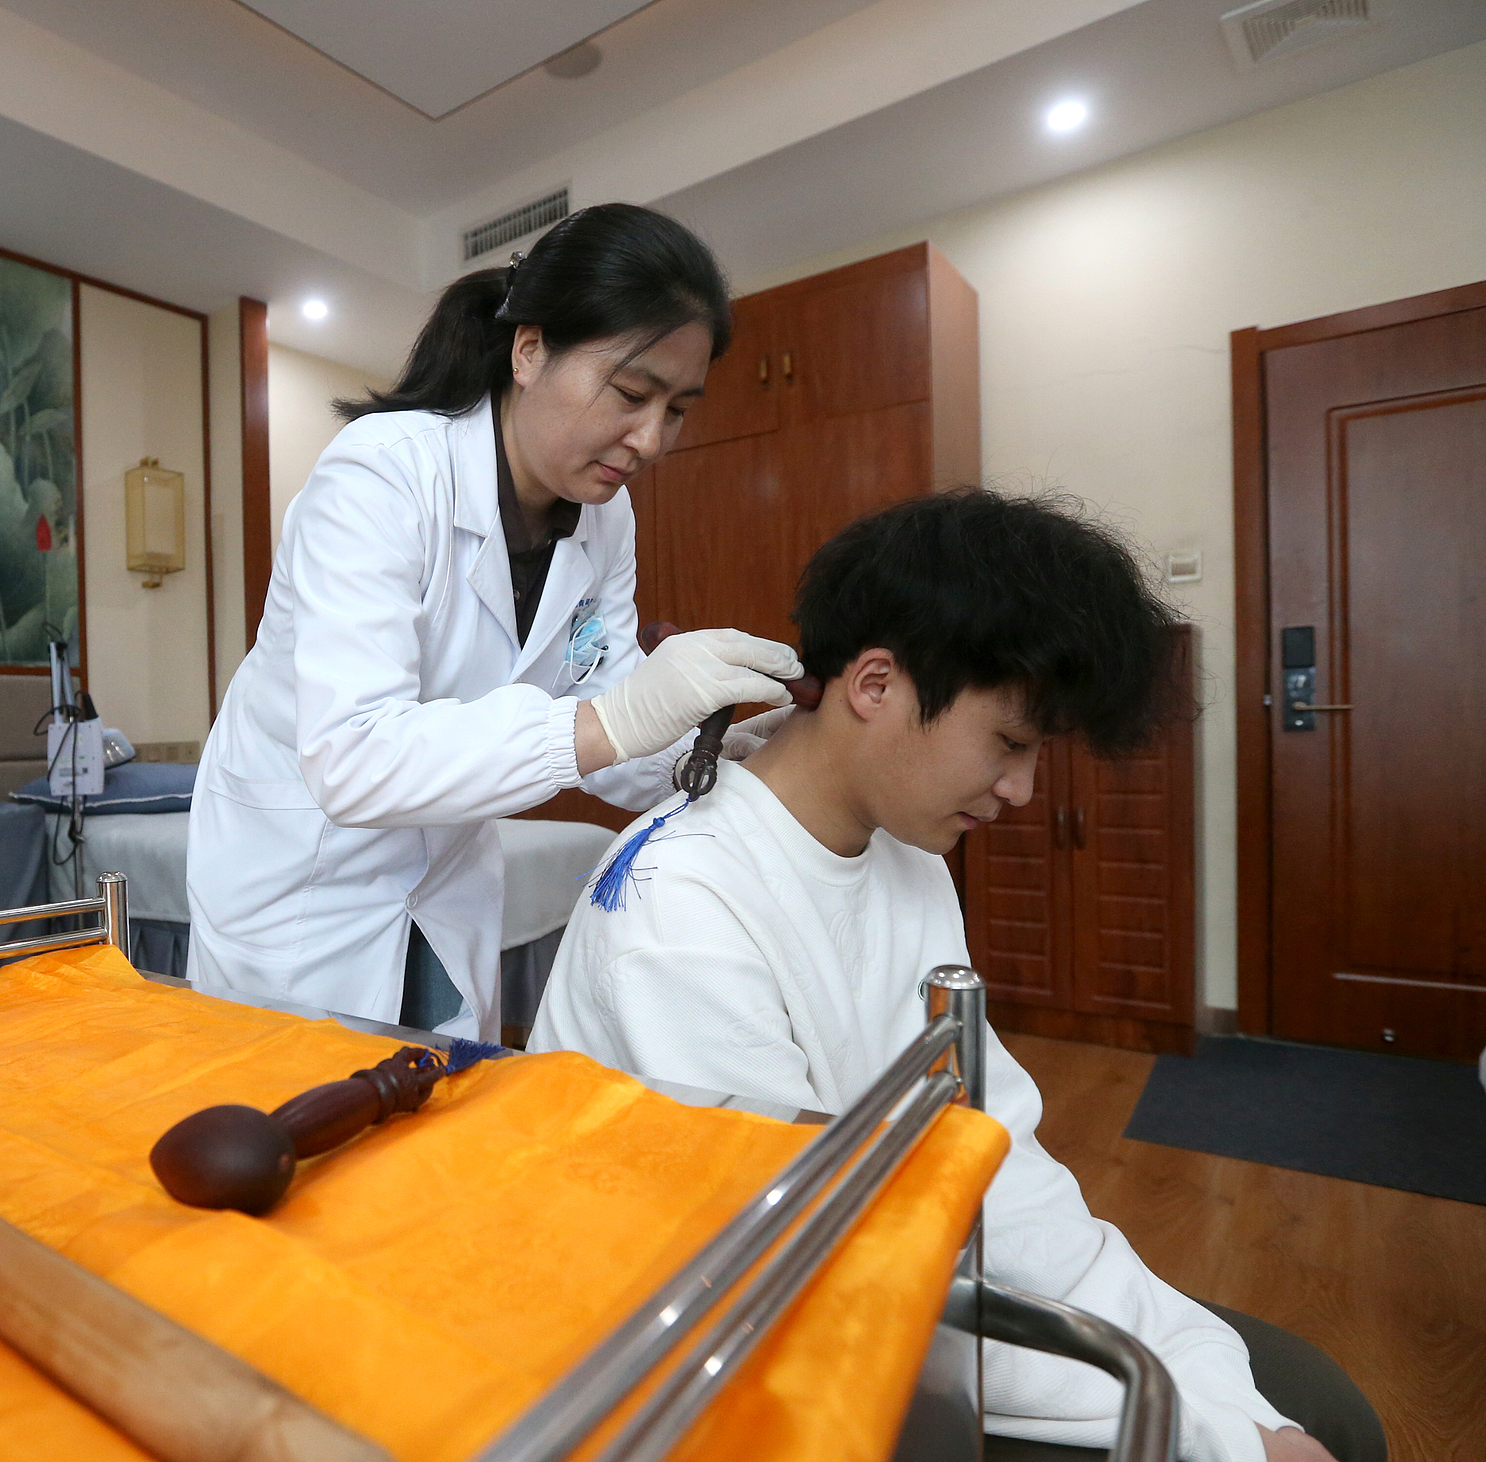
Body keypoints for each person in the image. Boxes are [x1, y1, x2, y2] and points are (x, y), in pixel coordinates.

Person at [529, 491, 1384, 1462]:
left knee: (1312, 1406)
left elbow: (984, 1149)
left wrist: (1201, 1371)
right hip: (712, 1371)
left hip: (876, 1282)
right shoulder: (682, 907)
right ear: (875, 683)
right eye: (1009, 744)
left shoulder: (906, 858)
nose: (1021, 789)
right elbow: (802, 1281)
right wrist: (1203, 1427)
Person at [186, 204, 804, 1041]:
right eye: (632, 393)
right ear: (530, 350)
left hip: (442, 884)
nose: (652, 440)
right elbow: (353, 759)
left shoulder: (604, 518)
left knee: (437, 1105)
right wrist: (612, 719)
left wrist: (708, 751)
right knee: (292, 1109)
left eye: (678, 410)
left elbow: (602, 709)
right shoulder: (383, 472)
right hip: (302, 881)